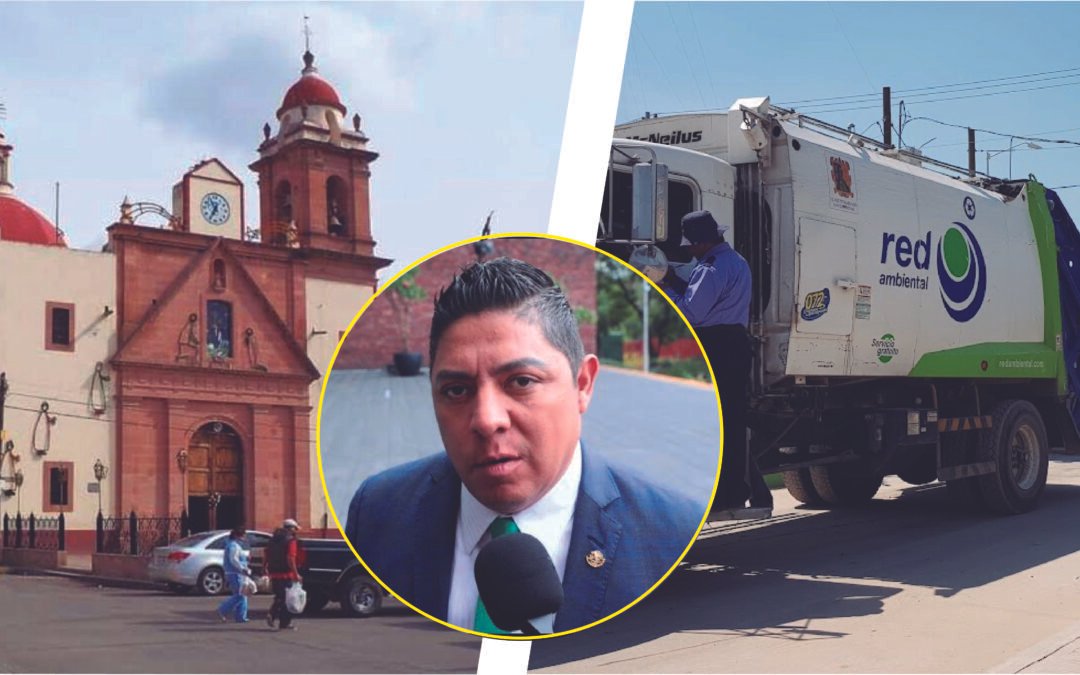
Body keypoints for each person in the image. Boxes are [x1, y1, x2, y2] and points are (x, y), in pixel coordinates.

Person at [345, 256, 704, 634]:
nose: (486, 419)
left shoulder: (671, 532)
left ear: (582, 384)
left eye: (521, 382)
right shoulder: (378, 513)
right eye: (456, 390)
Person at [662, 210, 771, 514]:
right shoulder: (736, 261)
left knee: (714, 423)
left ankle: (723, 495)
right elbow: (710, 301)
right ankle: (734, 492)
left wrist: (665, 290)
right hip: (733, 342)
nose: (689, 251)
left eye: (691, 245)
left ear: (701, 242)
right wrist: (677, 281)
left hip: (716, 345)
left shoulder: (710, 268)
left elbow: (693, 314)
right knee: (731, 422)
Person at [265, 518, 304, 631]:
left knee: (280, 596)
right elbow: (290, 558)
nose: (296, 532)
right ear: (291, 529)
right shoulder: (290, 541)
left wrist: (265, 568)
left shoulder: (273, 539)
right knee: (288, 599)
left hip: (274, 572)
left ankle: (273, 614)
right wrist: (296, 574)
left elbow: (266, 554)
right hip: (286, 573)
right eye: (295, 529)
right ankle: (283, 622)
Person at [216, 527, 251, 623]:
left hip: (236, 573)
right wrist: (242, 568)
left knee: (243, 594)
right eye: (243, 535)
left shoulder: (233, 545)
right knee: (240, 595)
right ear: (237, 536)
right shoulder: (233, 546)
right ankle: (222, 610)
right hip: (235, 573)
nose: (244, 537)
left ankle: (241, 616)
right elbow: (233, 560)